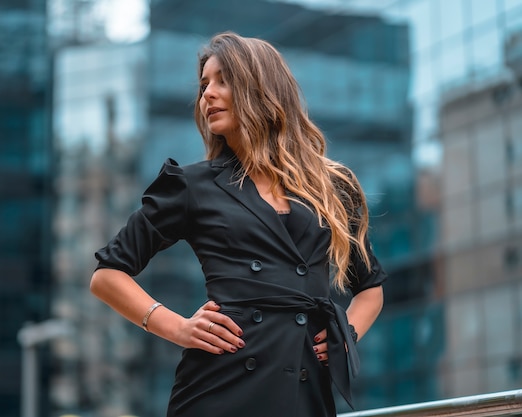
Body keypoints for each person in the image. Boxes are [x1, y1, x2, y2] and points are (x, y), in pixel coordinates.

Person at [90, 31, 386, 417]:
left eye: (222, 80)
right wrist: (176, 327)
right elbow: (107, 275)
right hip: (217, 386)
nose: (207, 94)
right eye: (203, 85)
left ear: (260, 87)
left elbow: (370, 287)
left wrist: (345, 335)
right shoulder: (191, 186)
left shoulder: (331, 187)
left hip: (303, 388)